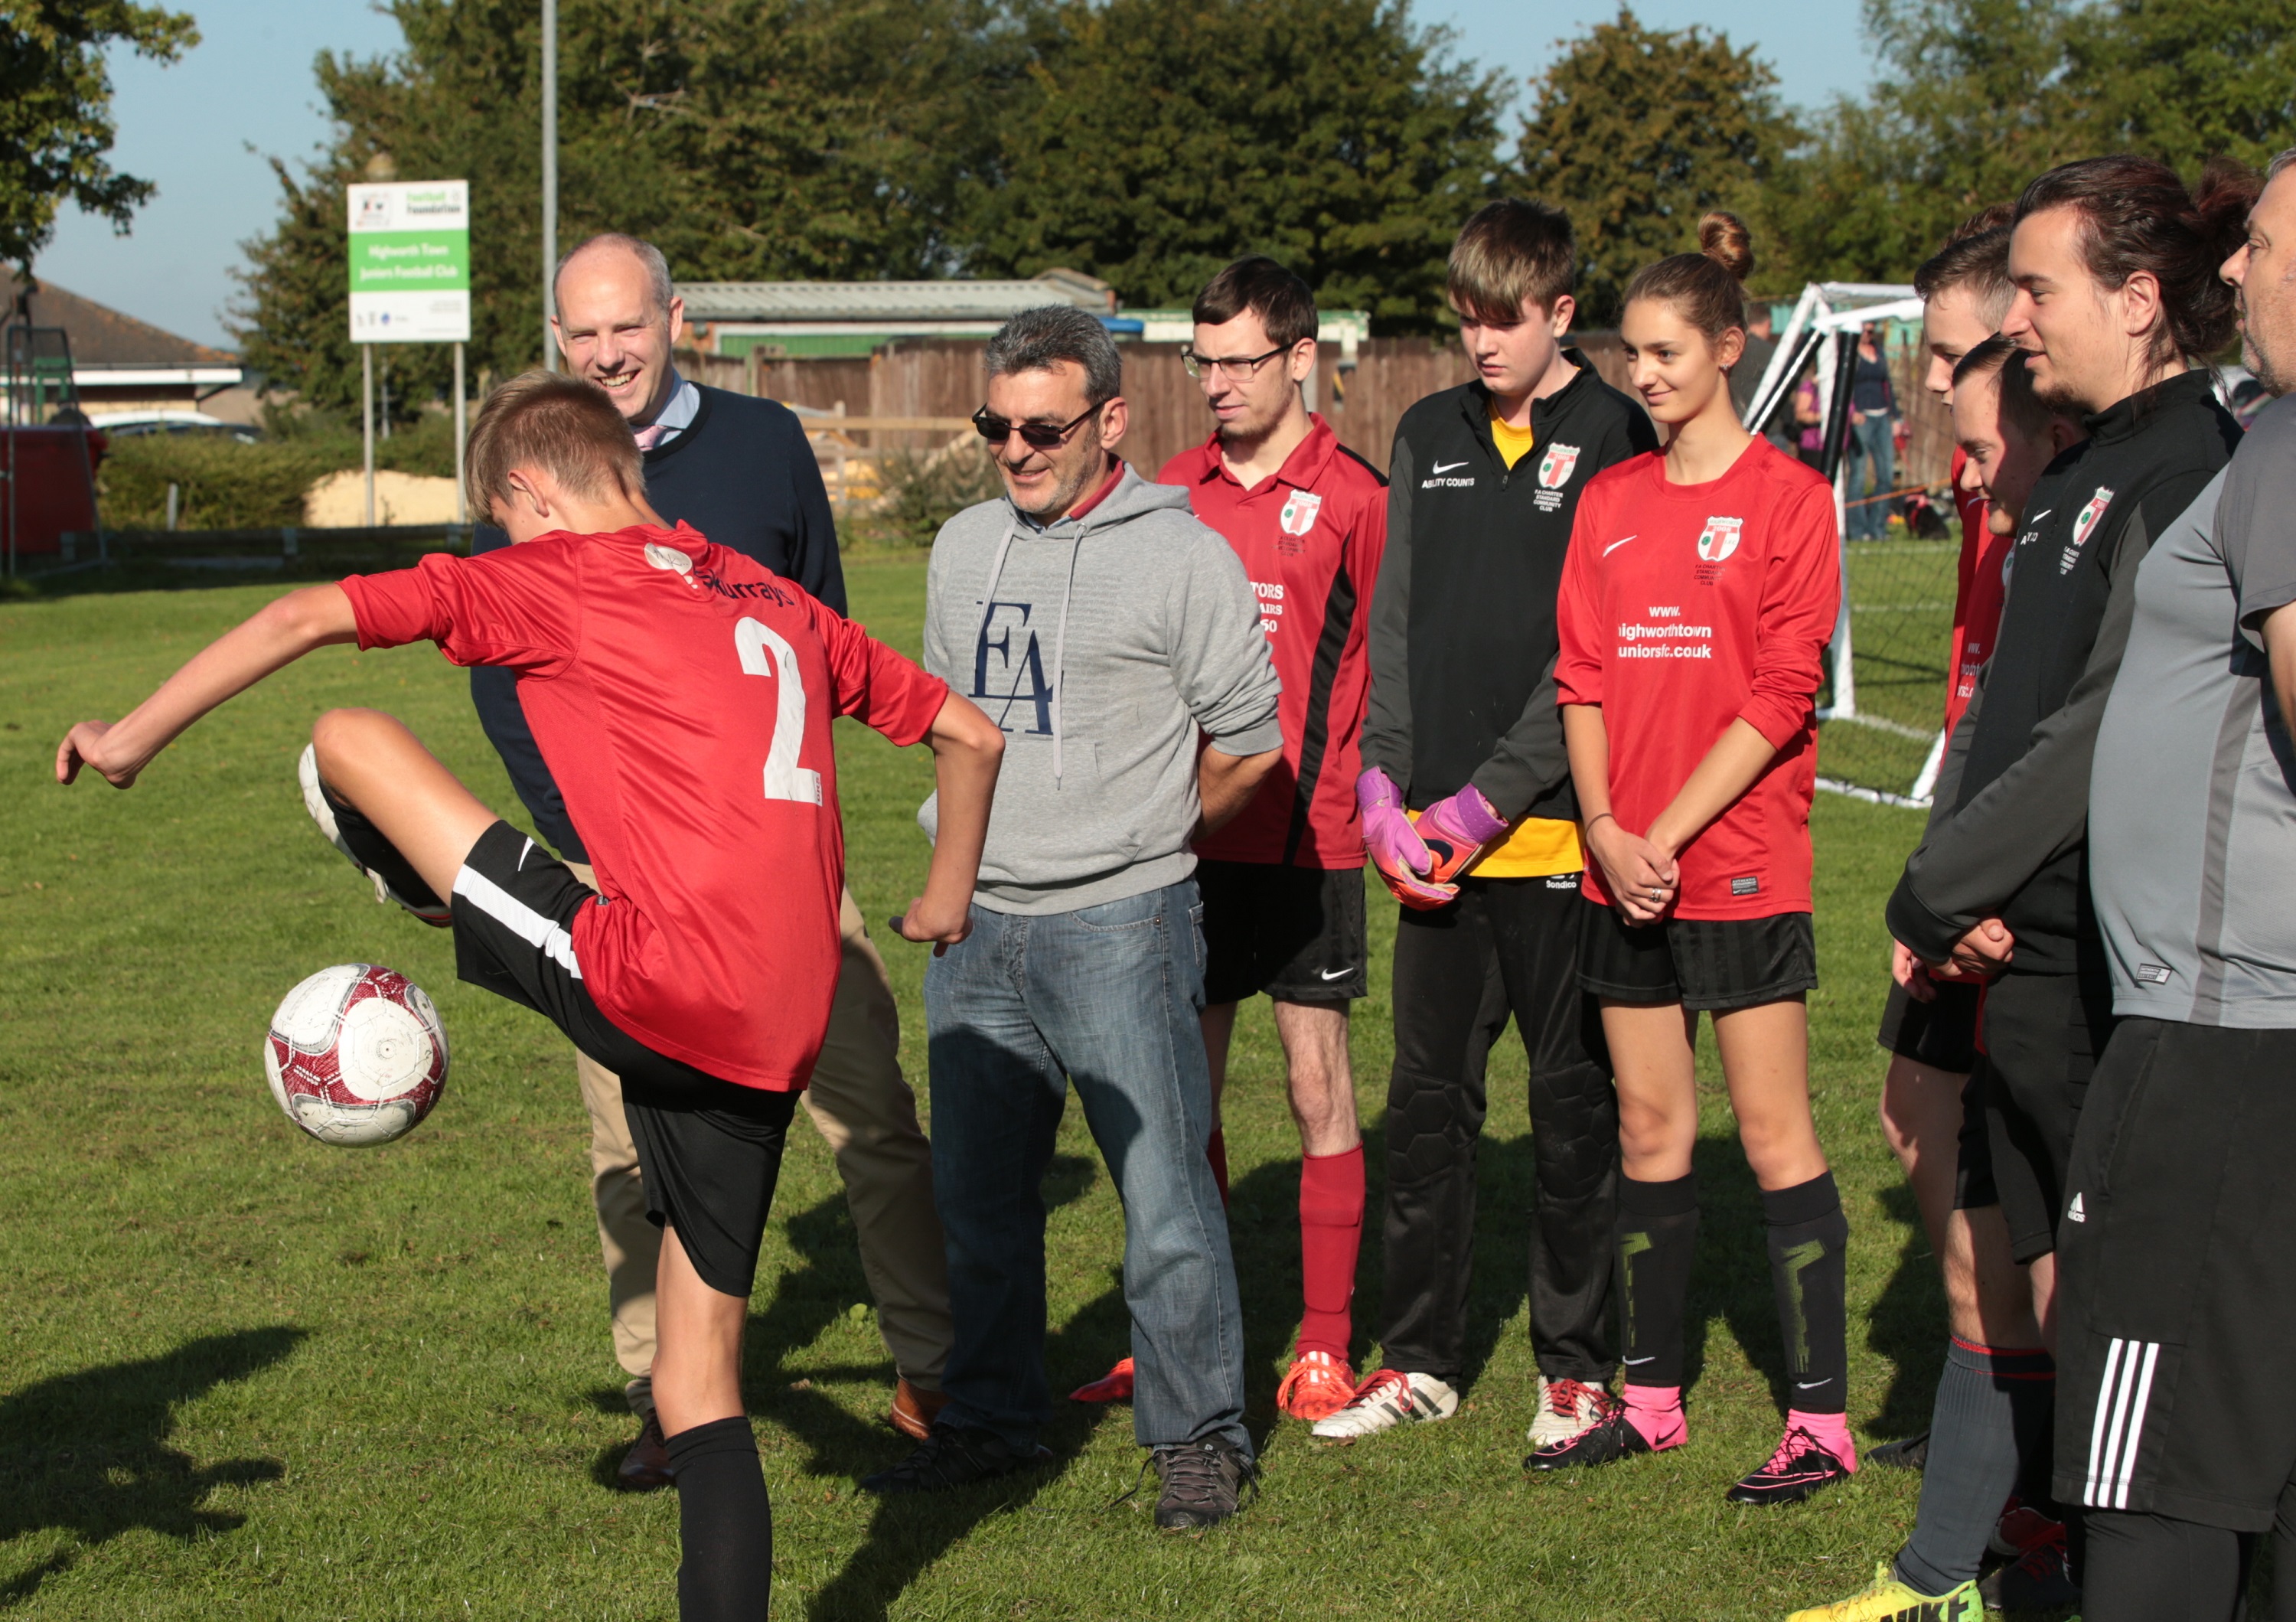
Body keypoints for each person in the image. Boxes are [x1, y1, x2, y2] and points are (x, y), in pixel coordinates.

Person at [55, 370, 1006, 1621]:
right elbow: (972, 734)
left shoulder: (561, 573)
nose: (505, 546)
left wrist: (128, 739)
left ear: (529, 492)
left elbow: (302, 617)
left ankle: (435, 898)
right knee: (698, 1385)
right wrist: (944, 897)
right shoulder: (773, 595)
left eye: (502, 524)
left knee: (344, 734)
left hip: (656, 981)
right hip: (784, 1017)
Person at [471, 233, 956, 1485]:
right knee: (626, 1150)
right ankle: (665, 1392)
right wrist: (586, 842)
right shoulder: (538, 471)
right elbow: (503, 682)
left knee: (873, 1121)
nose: (605, 353)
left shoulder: (762, 445)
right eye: (581, 334)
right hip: (614, 886)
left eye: (624, 327)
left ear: (675, 317)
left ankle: (933, 1372)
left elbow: (822, 634)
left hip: (782, 873)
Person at [1849, 154, 2252, 1621]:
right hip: (2006, 939)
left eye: (2038, 286)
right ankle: (2040, 1548)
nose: (2016, 320)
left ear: (2139, 300)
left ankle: (2122, 1560)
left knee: (2122, 1299)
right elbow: (2014, 715)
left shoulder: (2190, 465)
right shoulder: (2079, 461)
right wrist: (1962, 894)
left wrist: (1942, 879)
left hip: (2101, 959)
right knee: (2033, 1266)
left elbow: (2108, 722)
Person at [859, 305, 1282, 1532]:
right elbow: (954, 733)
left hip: (1123, 926)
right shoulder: (959, 546)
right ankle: (990, 1419)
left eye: (1042, 427)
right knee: (980, 1208)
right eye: (994, 425)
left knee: (1163, 1206)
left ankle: (1200, 1435)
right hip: (978, 933)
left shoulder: (1180, 554)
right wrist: (959, 879)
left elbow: (1252, 742)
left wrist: (1143, 831)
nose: (1014, 448)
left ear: (1110, 421)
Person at [1314, 198, 1656, 1451]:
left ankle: (1573, 1368)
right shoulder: (1426, 428)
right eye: (1467, 315)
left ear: (1563, 310)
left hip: (1565, 837)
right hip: (1432, 853)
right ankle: (1419, 1359)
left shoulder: (1616, 432)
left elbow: (1594, 650)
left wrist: (1487, 796)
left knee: (1571, 1112)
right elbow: (1394, 624)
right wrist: (1383, 784)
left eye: (1506, 317)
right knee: (1426, 1111)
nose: (1483, 340)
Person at [1533, 211, 1852, 1507]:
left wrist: (1664, 833)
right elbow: (1583, 677)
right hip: (1625, 861)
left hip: (1739, 863)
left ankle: (1821, 1420)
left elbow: (1784, 691)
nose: (1647, 373)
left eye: (1670, 351)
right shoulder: (1608, 500)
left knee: (1773, 1130)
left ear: (1730, 347)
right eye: (1634, 352)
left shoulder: (1788, 498)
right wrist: (1610, 828)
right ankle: (1653, 1397)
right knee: (1652, 1124)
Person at [1790, 338, 2089, 1622]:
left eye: (1974, 445)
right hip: (1969, 902)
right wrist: (1938, 875)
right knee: (1950, 1183)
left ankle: (2043, 1523)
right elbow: (1979, 725)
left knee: (2050, 1246)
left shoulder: (2097, 530)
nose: (1959, 469)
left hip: (2038, 930)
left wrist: (1980, 883)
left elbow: (2069, 745)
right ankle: (1974, 1540)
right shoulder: (2009, 527)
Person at [1070, 257, 1386, 1423]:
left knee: (1316, 1087)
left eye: (1238, 360)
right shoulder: (1165, 492)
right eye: (1201, 362)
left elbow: (1383, 670)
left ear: (1300, 358)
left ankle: (1323, 1343)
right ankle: (1178, 1338)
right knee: (1178, 1103)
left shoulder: (1359, 496)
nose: (1215, 384)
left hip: (1311, 844)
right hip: (1183, 845)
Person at [2047, 146, 2296, 1620]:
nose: (2237, 272)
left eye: (2260, 244)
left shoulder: (2286, 444)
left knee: (2149, 1468)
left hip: (2216, 1047)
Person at [1845, 323, 1898, 540]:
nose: (1869, 334)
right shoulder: (1849, 354)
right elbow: (1843, 387)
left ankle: (1878, 528)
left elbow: (1888, 386)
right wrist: (1851, 412)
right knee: (1858, 476)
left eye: (1871, 330)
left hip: (1883, 418)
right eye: (1865, 330)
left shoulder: (1880, 351)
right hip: (1861, 419)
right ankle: (1857, 531)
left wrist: (1897, 417)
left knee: (1886, 475)